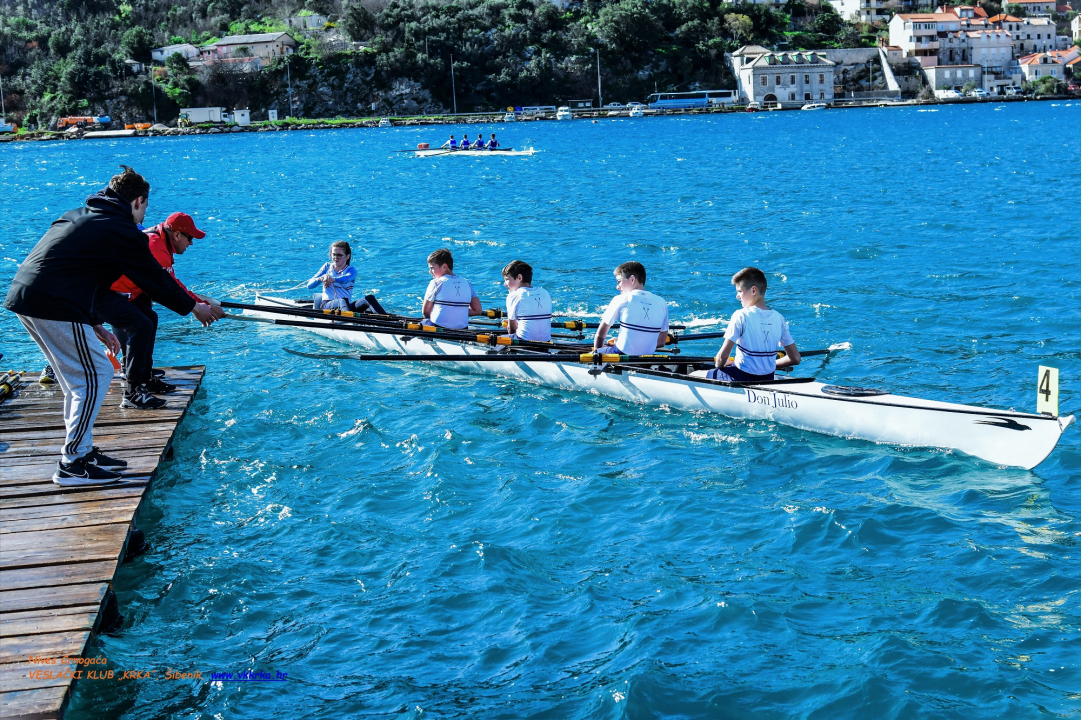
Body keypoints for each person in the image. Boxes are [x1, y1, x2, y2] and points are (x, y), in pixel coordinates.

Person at [3, 165, 218, 486]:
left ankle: (82, 452)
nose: (144, 214)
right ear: (138, 201)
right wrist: (192, 307)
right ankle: (73, 464)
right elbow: (153, 278)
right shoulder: (119, 228)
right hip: (51, 302)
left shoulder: (83, 215)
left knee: (79, 379)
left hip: (32, 296)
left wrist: (94, 323)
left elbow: (86, 274)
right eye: (145, 206)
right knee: (96, 374)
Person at [108, 211, 220, 405]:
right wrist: (196, 308)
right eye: (190, 238)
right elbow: (168, 289)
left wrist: (204, 305)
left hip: (127, 291)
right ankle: (133, 393)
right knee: (141, 325)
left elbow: (173, 284)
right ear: (176, 235)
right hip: (107, 293)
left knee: (150, 318)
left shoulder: (160, 238)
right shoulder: (157, 248)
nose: (191, 243)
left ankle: (144, 378)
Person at [709, 266, 800, 382]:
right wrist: (771, 365)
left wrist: (721, 365)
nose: (737, 296)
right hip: (768, 378)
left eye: (740, 291)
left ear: (753, 290)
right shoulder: (780, 318)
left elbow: (721, 358)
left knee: (697, 373)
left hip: (740, 378)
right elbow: (796, 358)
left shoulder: (741, 315)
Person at [593, 261, 669, 356]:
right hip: (647, 358)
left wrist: (597, 353)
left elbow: (600, 336)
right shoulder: (662, 302)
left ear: (632, 279)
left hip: (621, 354)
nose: (617, 287)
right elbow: (661, 342)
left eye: (619, 281)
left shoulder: (621, 299)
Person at [422, 248, 482, 330]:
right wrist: (458, 310)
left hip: (438, 328)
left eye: (432, 268)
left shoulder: (436, 283)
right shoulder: (467, 283)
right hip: (463, 329)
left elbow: (426, 312)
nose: (430, 271)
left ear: (444, 267)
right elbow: (477, 310)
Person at [502, 260, 552, 342]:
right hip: (546, 342)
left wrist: (512, 324)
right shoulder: (545, 292)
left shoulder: (514, 296)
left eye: (507, 279)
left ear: (519, 278)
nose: (505, 284)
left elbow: (512, 329)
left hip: (524, 343)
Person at [307, 241, 357, 311]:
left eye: (339, 255)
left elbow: (345, 279)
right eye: (334, 254)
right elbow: (309, 286)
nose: (336, 257)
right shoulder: (327, 267)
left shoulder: (351, 270)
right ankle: (349, 319)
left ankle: (377, 318)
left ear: (347, 256)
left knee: (369, 298)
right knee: (341, 301)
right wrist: (321, 278)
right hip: (326, 305)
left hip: (345, 305)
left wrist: (333, 279)